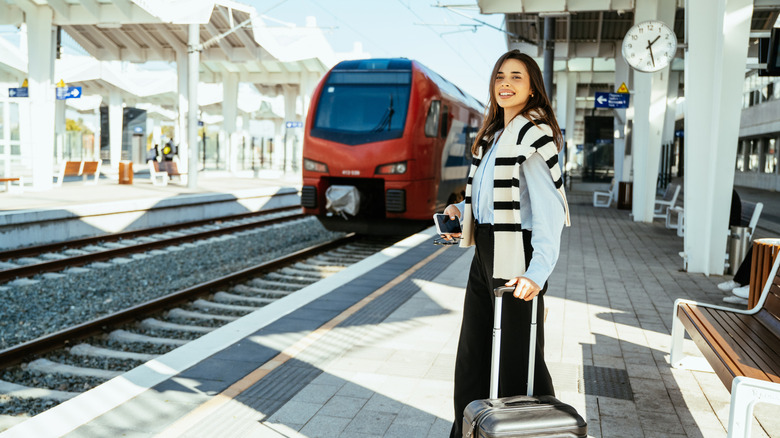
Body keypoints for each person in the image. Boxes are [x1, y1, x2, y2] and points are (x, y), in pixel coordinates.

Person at [440, 50, 571, 438]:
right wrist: (460, 211)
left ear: (532, 90)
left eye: (516, 77)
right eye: (500, 76)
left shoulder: (533, 134)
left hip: (518, 255)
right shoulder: (496, 135)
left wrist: (538, 273)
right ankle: (470, 430)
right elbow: (488, 200)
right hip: (487, 251)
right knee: (473, 355)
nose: (505, 84)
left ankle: (535, 432)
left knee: (519, 358)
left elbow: (549, 210)